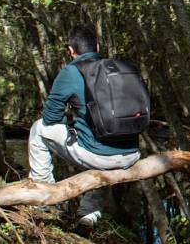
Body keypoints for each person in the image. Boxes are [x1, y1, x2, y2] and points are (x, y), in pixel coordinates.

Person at [28, 25, 140, 233]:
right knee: (103, 146)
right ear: (97, 46)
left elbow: (50, 119)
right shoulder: (120, 68)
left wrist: (72, 122)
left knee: (38, 129)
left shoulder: (71, 72)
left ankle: (43, 201)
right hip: (131, 154)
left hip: (99, 155)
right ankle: (88, 217)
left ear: (70, 50)